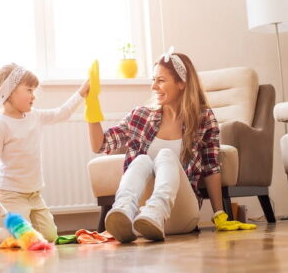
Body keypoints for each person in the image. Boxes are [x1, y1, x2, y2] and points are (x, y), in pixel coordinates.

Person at [86, 47, 256, 243]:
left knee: (166, 155)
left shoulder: (203, 118)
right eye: (153, 80)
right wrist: (92, 105)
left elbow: (211, 168)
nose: (153, 87)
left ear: (182, 83)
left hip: (180, 214)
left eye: (161, 80)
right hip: (141, 219)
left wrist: (220, 214)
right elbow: (100, 145)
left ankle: (157, 211)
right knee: (141, 160)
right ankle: (123, 209)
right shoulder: (141, 116)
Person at [0, 63, 89, 247]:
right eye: (29, 90)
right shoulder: (0, 124)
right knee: (22, 236)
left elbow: (61, 113)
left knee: (49, 236)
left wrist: (81, 93)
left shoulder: (35, 117)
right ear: (9, 92)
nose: (34, 96)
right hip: (11, 193)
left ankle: (7, 233)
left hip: (34, 193)